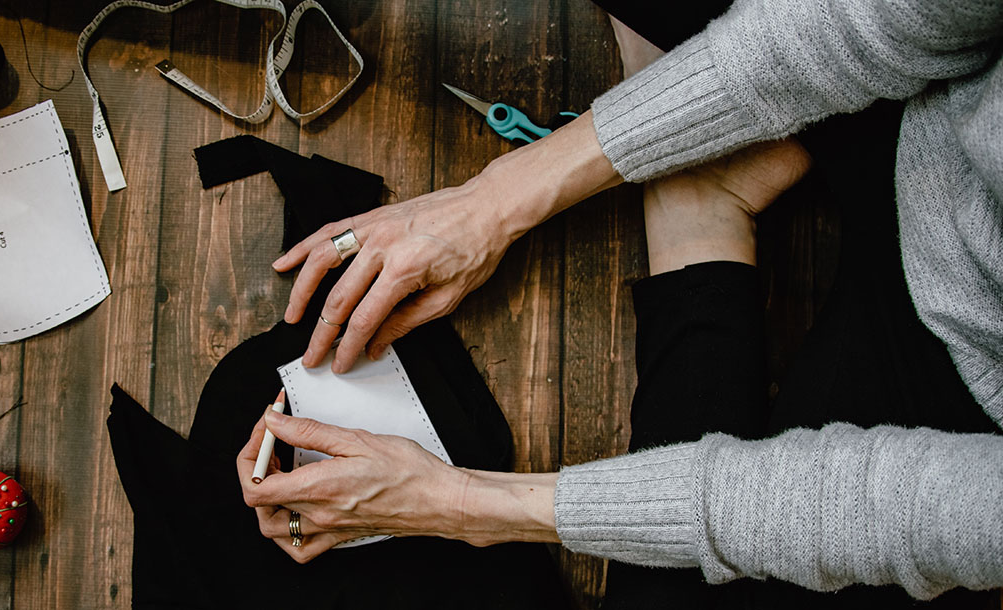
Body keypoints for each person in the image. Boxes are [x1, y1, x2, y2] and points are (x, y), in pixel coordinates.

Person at [237, 0, 1003, 603]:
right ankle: (700, 172)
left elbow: (865, 512)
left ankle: (702, 202)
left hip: (960, 374)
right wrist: (489, 202)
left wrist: (462, 506)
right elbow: (865, 21)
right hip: (933, 93)